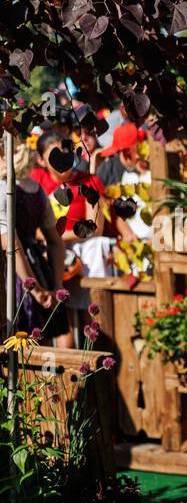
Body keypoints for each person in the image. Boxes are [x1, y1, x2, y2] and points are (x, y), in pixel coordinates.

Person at [30, 129, 108, 347]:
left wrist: (58, 238)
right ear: (41, 160)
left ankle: (96, 357)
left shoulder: (88, 182)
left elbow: (95, 227)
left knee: (85, 316)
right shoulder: (36, 181)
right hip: (47, 258)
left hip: (81, 255)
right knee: (53, 315)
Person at [1, 141, 68, 340]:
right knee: (40, 337)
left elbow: (12, 244)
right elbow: (55, 241)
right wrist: (56, 282)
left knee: (18, 337)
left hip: (14, 268)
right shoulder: (37, 190)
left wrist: (36, 289)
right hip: (36, 262)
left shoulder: (6, 189)